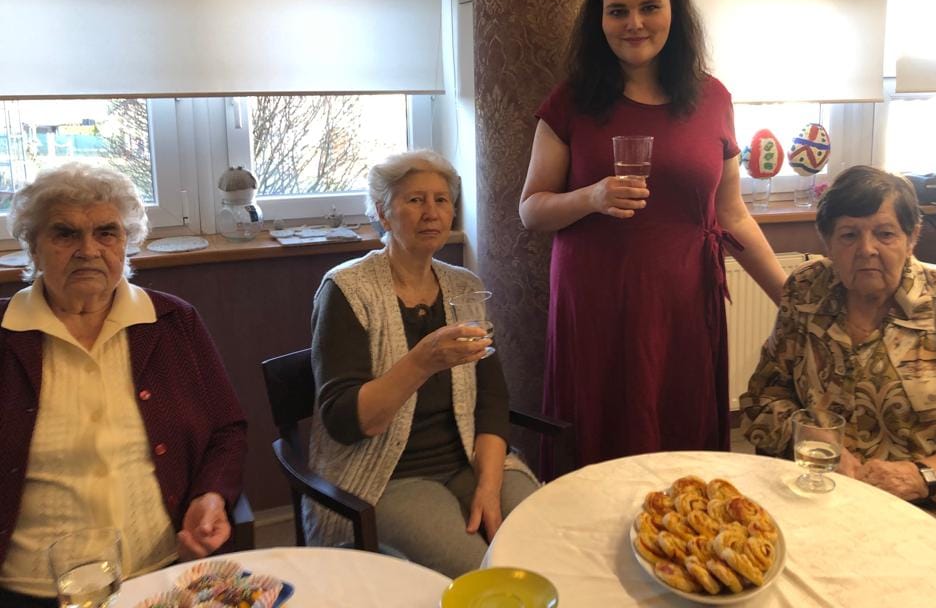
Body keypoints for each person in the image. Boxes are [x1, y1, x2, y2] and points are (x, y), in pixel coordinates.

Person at [519, 0, 786, 467]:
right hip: (597, 297)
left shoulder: (713, 98)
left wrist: (790, 297)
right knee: (602, 431)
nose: (634, 24)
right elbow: (531, 210)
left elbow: (731, 214)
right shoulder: (572, 100)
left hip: (685, 299)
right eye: (617, 11)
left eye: (649, 7)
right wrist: (592, 196)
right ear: (599, 21)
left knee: (680, 435)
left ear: (674, 13)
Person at [740, 165, 936, 563]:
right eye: (849, 235)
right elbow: (763, 399)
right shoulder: (806, 292)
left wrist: (921, 475)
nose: (867, 249)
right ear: (827, 241)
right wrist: (815, 440)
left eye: (885, 233)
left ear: (912, 237)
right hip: (828, 492)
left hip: (934, 503)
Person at [0, 162, 247, 608]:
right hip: (32, 587)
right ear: (33, 247)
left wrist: (211, 495)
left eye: (106, 233)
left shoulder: (173, 322)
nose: (88, 250)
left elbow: (227, 430)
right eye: (65, 234)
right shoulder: (6, 336)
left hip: (162, 574)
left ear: (126, 242)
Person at [305, 149, 537, 578]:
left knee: (542, 544)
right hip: (386, 476)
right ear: (383, 213)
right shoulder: (347, 290)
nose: (431, 212)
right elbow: (345, 422)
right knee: (481, 573)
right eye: (415, 200)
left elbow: (491, 400)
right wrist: (422, 361)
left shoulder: (464, 287)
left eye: (442, 200)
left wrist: (489, 487)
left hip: (468, 460)